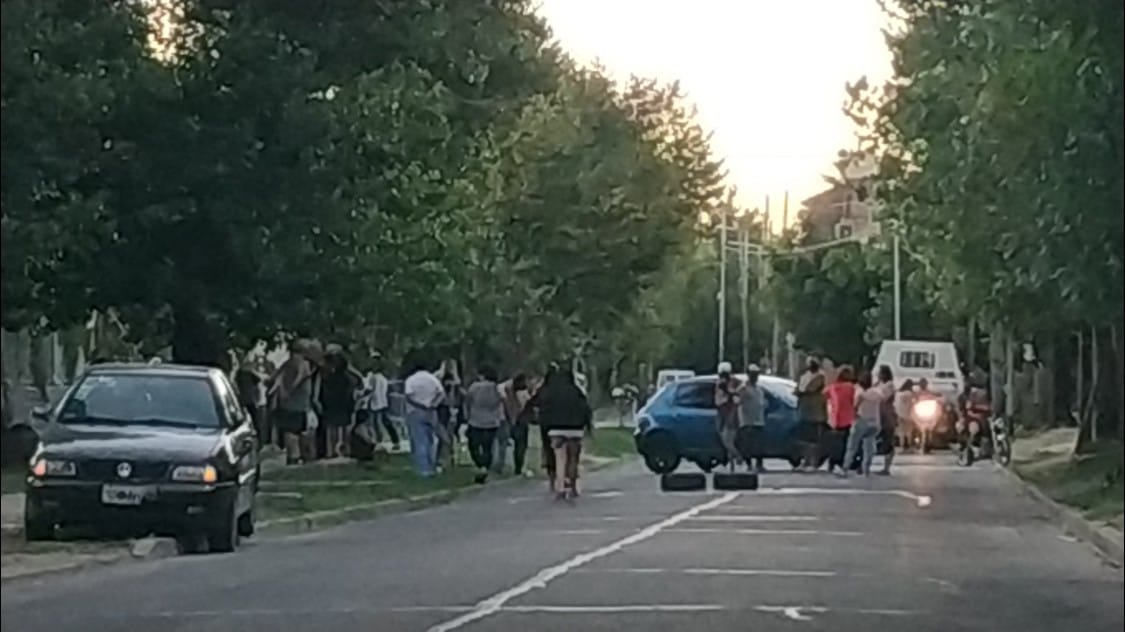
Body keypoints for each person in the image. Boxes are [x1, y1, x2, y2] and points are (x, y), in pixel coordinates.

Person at [530, 367, 592, 500]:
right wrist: (587, 426)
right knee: (573, 458)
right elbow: (586, 409)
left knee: (560, 459)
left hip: (556, 429)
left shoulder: (549, 392)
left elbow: (535, 404)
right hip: (575, 430)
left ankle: (560, 487)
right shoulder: (576, 392)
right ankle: (573, 485)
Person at [270, 339, 315, 465]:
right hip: (298, 404)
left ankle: (292, 456)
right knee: (297, 432)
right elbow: (301, 376)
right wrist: (290, 389)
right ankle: (298, 456)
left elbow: (275, 377)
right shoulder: (304, 363)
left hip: (287, 403)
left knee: (289, 432)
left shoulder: (287, 364)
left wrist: (282, 391)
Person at [403, 353, 445, 476]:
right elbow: (441, 394)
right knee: (431, 439)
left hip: (415, 411)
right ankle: (432, 464)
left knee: (420, 440)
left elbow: (408, 396)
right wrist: (433, 404)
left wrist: (419, 404)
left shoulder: (411, 379)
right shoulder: (433, 379)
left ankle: (424, 469)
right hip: (431, 411)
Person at [319, 345, 362, 459]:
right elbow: (359, 381)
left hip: (332, 404)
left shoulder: (327, 376)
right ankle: (345, 450)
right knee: (344, 427)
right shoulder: (348, 376)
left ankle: (331, 451)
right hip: (345, 403)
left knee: (332, 427)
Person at [844, 370, 882, 477]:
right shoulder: (877, 393)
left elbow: (855, 407)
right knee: (869, 446)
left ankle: (845, 468)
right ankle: (866, 469)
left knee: (852, 446)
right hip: (874, 422)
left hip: (861, 421)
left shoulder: (860, 394)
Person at [359, 353, 399, 451]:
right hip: (381, 402)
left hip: (376, 403)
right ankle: (391, 441)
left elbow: (369, 390)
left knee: (376, 423)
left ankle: (378, 442)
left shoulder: (374, 376)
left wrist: (361, 396)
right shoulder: (379, 375)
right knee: (383, 422)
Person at [795, 358, 828, 471]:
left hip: (815, 413)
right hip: (804, 410)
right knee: (804, 439)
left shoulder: (820, 376)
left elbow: (811, 389)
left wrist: (801, 391)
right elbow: (798, 389)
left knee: (814, 439)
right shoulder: (804, 376)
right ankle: (805, 461)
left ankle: (813, 463)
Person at [824, 365, 857, 474]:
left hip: (834, 418)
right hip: (847, 418)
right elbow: (854, 401)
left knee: (834, 443)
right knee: (845, 442)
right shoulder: (851, 388)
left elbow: (824, 394)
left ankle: (832, 463)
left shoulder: (832, 387)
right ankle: (842, 463)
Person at [737, 364, 766, 472]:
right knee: (747, 445)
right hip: (747, 421)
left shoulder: (759, 389)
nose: (755, 377)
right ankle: (748, 464)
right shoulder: (743, 388)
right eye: (753, 374)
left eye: (756, 374)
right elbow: (738, 401)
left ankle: (759, 464)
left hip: (759, 420)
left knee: (759, 445)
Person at [714, 361, 741, 471]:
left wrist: (731, 392)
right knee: (724, 437)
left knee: (727, 439)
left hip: (728, 412)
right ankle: (731, 461)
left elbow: (734, 394)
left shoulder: (732, 382)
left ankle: (737, 456)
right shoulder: (720, 383)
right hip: (722, 411)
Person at [435, 358, 463, 468]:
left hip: (448, 408)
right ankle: (444, 458)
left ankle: (447, 458)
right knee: (445, 435)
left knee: (448, 435)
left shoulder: (454, 381)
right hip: (443, 407)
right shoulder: (440, 378)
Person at [875, 365, 897, 474]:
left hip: (887, 415)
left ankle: (886, 467)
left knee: (888, 440)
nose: (878, 375)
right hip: (878, 414)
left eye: (880, 373)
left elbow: (883, 397)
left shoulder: (889, 385)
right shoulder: (879, 385)